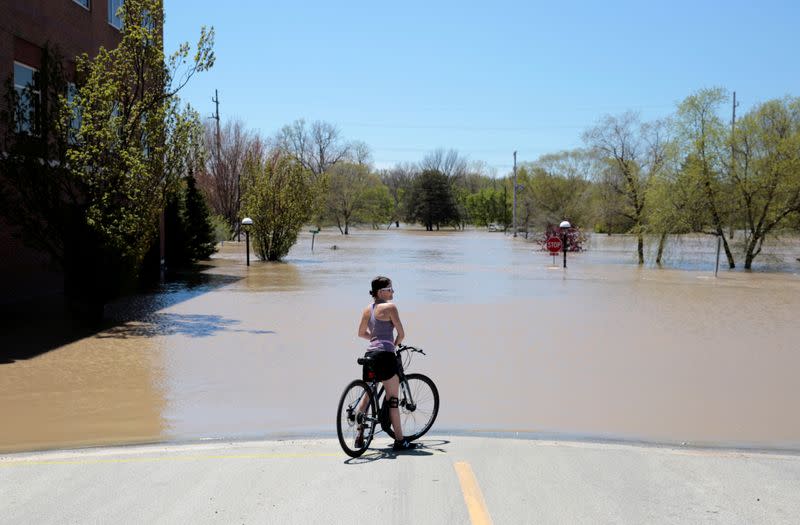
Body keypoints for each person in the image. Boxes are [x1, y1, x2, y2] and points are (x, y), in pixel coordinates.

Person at [355, 276, 419, 451]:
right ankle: (400, 440)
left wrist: (374, 339)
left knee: (367, 395)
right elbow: (401, 334)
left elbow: (361, 333)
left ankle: (360, 434)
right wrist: (392, 344)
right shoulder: (390, 307)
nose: (393, 292)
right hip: (386, 357)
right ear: (380, 292)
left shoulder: (367, 309)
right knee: (393, 400)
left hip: (370, 355)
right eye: (390, 289)